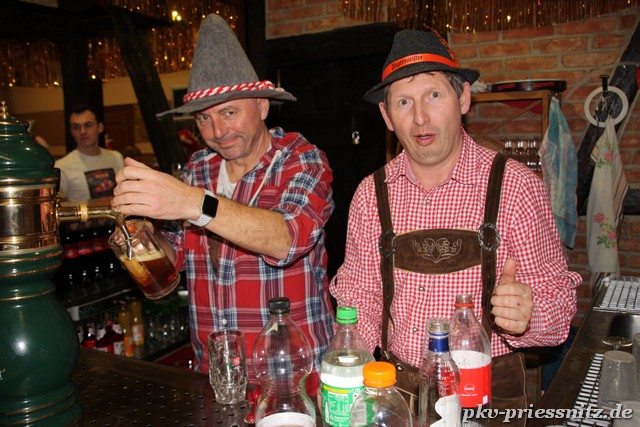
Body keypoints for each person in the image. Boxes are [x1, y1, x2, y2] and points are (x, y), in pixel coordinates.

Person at [330, 28, 581, 416]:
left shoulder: (515, 187)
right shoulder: (370, 195)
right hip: (398, 395)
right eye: (403, 102)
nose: (420, 118)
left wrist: (528, 315)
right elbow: (359, 299)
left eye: (434, 95)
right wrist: (344, 375)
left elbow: (560, 305)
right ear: (386, 115)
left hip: (488, 398)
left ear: (463, 97)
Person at [110, 14, 336, 388]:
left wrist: (194, 203)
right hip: (215, 373)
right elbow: (172, 262)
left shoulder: (301, 159)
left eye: (229, 112)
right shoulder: (198, 168)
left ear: (262, 106)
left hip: (292, 376)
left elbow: (286, 239)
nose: (217, 131)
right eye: (204, 118)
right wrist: (141, 238)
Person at [55, 104, 124, 202]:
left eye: (88, 125)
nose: (82, 131)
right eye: (76, 127)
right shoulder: (62, 166)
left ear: (100, 127)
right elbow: (59, 203)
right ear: (71, 132)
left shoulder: (116, 157)